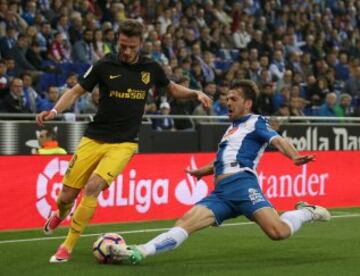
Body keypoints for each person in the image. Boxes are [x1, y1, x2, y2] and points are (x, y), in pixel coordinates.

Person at [35, 19, 212, 264]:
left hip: (124, 142)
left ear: (140, 44)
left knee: (93, 187)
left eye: (131, 46)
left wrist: (195, 92)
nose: (126, 51)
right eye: (122, 45)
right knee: (66, 195)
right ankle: (60, 213)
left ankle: (68, 245)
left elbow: (171, 88)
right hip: (94, 137)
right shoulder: (104, 64)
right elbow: (76, 91)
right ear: (118, 41)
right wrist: (54, 111)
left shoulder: (151, 67)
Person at [109, 80, 331, 264]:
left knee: (278, 232)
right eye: (227, 99)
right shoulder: (230, 129)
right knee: (185, 222)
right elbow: (222, 162)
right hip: (221, 193)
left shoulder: (256, 122)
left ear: (248, 103)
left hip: (244, 186)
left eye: (233, 99)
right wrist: (201, 172)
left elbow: (278, 140)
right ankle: (140, 251)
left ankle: (307, 212)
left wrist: (293, 156)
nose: (228, 102)